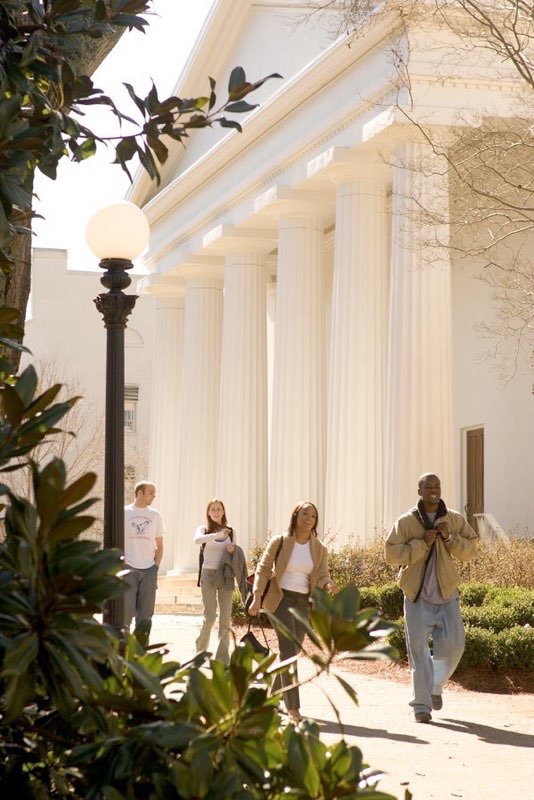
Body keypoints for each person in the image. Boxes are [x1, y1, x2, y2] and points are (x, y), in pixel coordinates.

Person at [385, 473, 478, 724]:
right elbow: (391, 555)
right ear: (419, 490)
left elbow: (471, 549)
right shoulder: (406, 522)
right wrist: (421, 543)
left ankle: (435, 685)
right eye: (428, 487)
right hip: (416, 597)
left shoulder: (454, 519)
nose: (433, 490)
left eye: (436, 486)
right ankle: (421, 706)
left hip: (447, 594)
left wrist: (449, 538)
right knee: (419, 653)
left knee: (455, 645)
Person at [248, 501, 338, 723]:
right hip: (281, 600)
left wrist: (328, 585)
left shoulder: (319, 549)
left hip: (304, 603)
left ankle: (269, 698)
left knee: (293, 653)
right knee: (288, 653)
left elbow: (323, 574)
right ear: (295, 516)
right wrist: (257, 597)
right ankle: (293, 709)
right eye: (305, 514)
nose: (309, 518)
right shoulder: (280, 541)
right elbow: (263, 568)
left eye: (313, 516)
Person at [194, 498, 237, 665]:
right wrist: (219, 535)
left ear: (223, 511)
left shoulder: (231, 531)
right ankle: (200, 651)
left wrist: (232, 549)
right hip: (208, 574)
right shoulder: (203, 530)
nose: (216, 512)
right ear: (208, 512)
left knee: (225, 619)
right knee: (210, 616)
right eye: (213, 509)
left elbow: (234, 553)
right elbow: (197, 540)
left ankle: (222, 660)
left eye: (219, 509)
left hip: (225, 575)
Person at [124, 481, 165, 642]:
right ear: (139, 493)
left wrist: (155, 567)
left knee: (146, 617)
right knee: (125, 614)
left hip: (149, 570)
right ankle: (123, 652)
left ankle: (140, 655)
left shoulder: (156, 516)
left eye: (154, 493)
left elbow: (160, 545)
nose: (154, 496)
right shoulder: (124, 512)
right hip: (128, 568)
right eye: (150, 492)